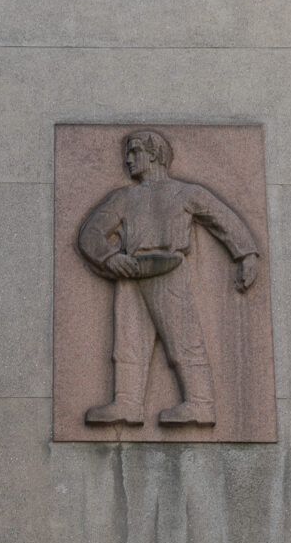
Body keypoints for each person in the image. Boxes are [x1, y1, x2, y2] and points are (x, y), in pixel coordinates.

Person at [77, 130, 259, 427]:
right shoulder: (124, 198)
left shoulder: (186, 193)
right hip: (131, 270)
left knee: (184, 338)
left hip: (169, 269)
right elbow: (91, 233)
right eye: (128, 153)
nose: (128, 159)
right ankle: (127, 402)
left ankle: (200, 404)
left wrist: (246, 255)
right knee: (128, 340)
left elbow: (222, 218)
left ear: (155, 154)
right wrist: (110, 257)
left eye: (135, 152)